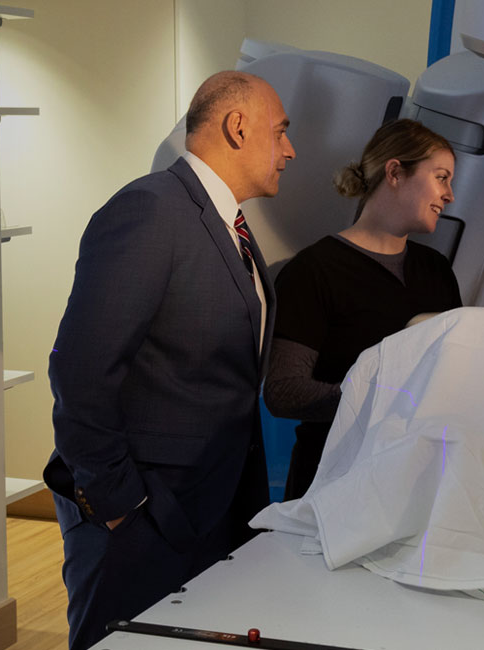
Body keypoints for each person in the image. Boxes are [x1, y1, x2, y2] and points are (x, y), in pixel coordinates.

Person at [43, 70, 295, 650]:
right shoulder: (151, 210)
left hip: (207, 507)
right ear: (238, 126)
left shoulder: (227, 223)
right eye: (280, 132)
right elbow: (80, 371)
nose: (290, 150)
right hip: (143, 517)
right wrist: (121, 505)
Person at [263, 119, 462, 500]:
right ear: (395, 172)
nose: (450, 194)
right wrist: (382, 400)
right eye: (441, 177)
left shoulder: (436, 270)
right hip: (333, 482)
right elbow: (284, 391)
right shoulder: (314, 271)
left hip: (413, 481)